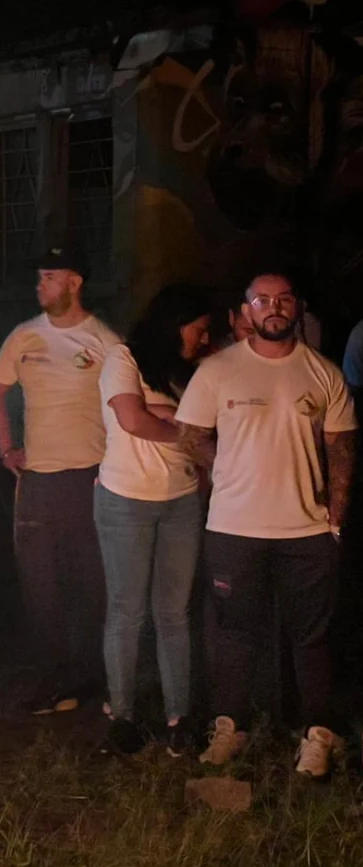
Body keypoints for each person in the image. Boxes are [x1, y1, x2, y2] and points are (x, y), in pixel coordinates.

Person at [176, 272, 355, 779]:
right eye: (262, 300)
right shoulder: (218, 371)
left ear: (296, 308)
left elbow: (342, 449)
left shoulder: (323, 373)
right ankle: (230, 727)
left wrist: (336, 518)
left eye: (282, 300)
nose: (272, 307)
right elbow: (189, 436)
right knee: (234, 634)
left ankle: (318, 735)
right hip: (234, 530)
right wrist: (231, 468)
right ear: (245, 312)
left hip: (306, 533)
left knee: (311, 638)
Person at [0, 247, 120, 715]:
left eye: (48, 277)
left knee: (89, 579)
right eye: (39, 277)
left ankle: (90, 678)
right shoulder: (24, 337)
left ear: (74, 282)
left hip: (88, 477)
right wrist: (7, 449)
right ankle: (52, 677)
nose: (39, 285)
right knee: (40, 583)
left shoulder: (104, 340)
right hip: (38, 479)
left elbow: (124, 405)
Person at [93, 285, 212, 756]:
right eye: (198, 329)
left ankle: (178, 716)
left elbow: (203, 422)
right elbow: (132, 419)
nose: (203, 339)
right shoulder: (123, 359)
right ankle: (122, 716)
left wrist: (167, 415)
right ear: (173, 322)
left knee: (174, 612)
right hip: (126, 499)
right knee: (126, 611)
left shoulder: (190, 372)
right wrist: (182, 430)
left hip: (181, 499)